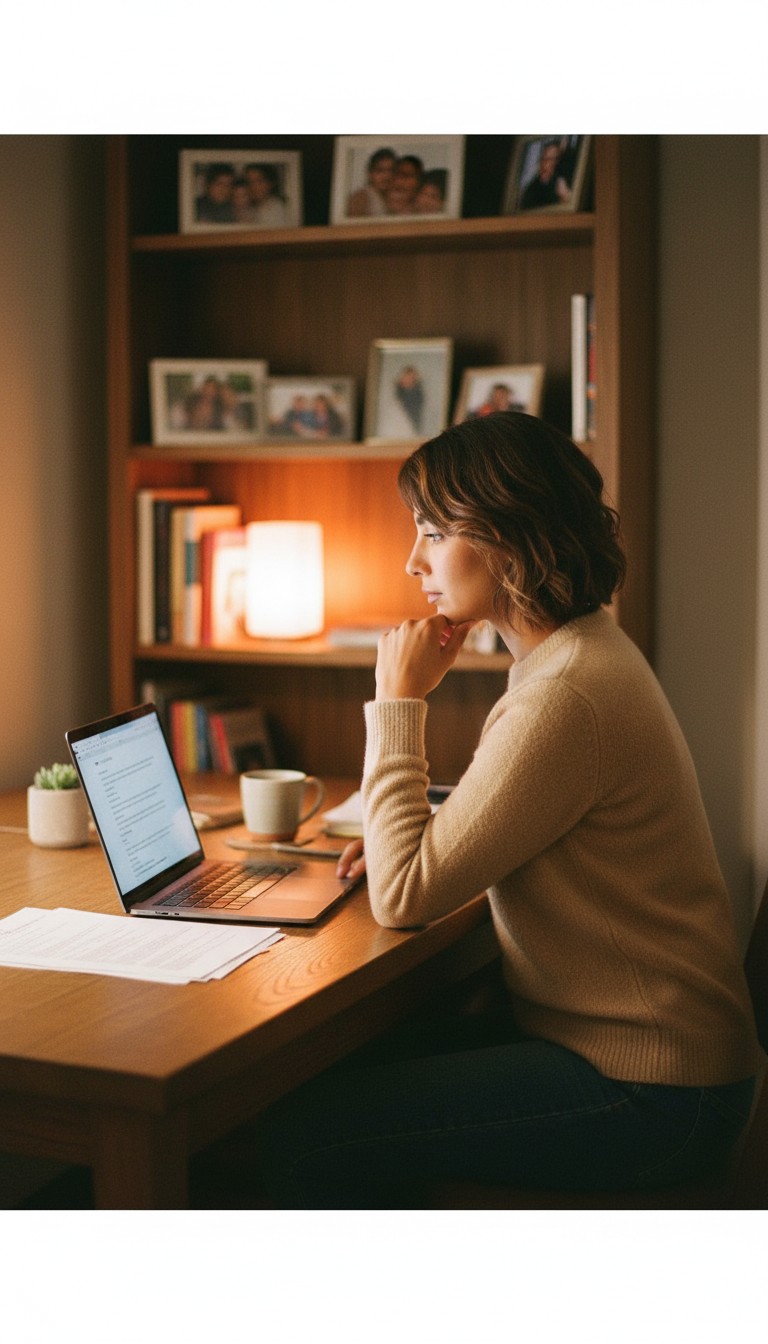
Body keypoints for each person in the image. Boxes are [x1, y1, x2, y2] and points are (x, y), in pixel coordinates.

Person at [251, 411, 759, 1208]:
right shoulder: (578, 651)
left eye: (432, 530)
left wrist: (396, 701)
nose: (411, 559)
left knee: (305, 1130)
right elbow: (492, 831)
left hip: (652, 1092)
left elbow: (405, 895)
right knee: (341, 1072)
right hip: (640, 1056)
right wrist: (413, 837)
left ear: (509, 532)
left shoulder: (564, 695)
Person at [519, 138, 572, 210]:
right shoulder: (531, 190)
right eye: (545, 159)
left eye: (554, 159)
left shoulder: (561, 181)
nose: (547, 164)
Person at [346, 147, 397, 217]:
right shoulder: (361, 197)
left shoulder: (397, 199)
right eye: (380, 171)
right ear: (370, 174)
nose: (386, 176)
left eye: (391, 170)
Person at [245, 162, 289, 228]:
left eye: (259, 181)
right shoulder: (251, 208)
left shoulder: (277, 208)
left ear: (270, 183)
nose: (254, 187)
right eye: (250, 182)